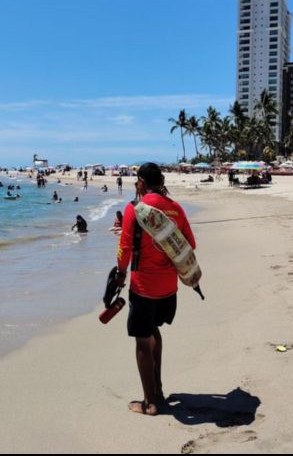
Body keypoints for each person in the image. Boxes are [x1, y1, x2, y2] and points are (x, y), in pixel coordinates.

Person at [115, 162, 195, 416]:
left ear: (141, 182)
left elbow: (125, 248)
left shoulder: (135, 209)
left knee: (142, 339)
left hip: (143, 287)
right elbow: (189, 244)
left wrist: (120, 274)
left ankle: (149, 403)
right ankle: (157, 390)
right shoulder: (175, 208)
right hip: (169, 289)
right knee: (154, 332)